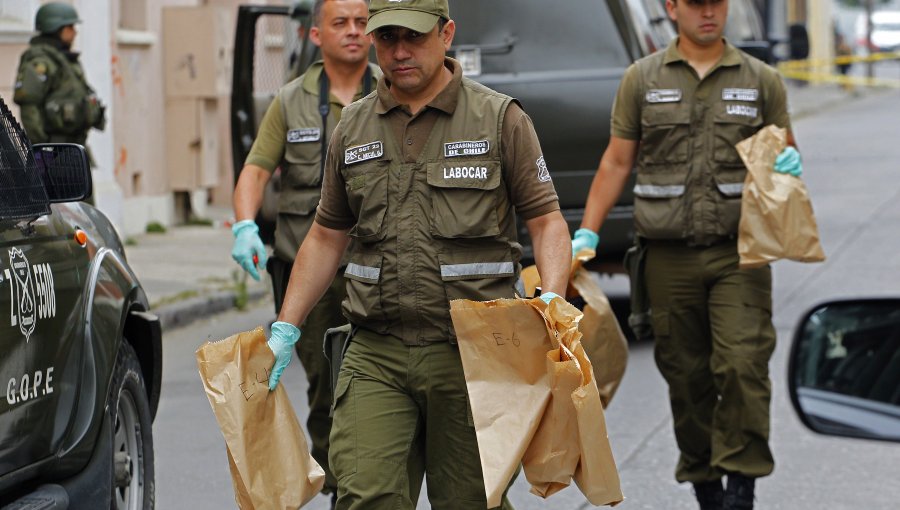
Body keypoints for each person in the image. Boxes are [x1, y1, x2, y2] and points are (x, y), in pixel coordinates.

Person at [264, 0, 572, 508]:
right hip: (375, 350)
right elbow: (325, 236)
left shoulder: (500, 119)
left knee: (471, 500)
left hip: (474, 354)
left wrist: (554, 302)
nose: (400, 52)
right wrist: (286, 326)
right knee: (365, 497)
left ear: (446, 34)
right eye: (387, 39)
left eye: (414, 37)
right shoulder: (354, 127)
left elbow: (546, 221)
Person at [572, 1, 802, 509]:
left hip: (740, 253)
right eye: (695, 4)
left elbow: (783, 152)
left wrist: (791, 161)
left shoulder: (760, 78)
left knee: (743, 365)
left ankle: (742, 484)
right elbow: (617, 160)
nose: (708, 13)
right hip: (667, 257)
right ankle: (705, 484)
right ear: (672, 8)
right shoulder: (642, 78)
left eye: (716, 3)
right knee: (686, 375)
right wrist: (587, 232)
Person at [230, 0, 377, 503]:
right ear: (316, 35)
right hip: (309, 269)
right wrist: (245, 225)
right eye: (341, 23)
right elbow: (255, 171)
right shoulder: (291, 100)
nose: (354, 32)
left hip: (378, 267)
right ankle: (341, 488)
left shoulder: (394, 91)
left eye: (363, 23)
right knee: (324, 386)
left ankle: (374, 483)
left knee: (379, 382)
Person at [13, 2, 105, 155]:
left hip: (73, 147)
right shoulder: (40, 61)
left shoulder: (66, 60)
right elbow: (30, 109)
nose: (75, 33)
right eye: (70, 28)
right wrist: (43, 149)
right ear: (55, 28)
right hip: (53, 153)